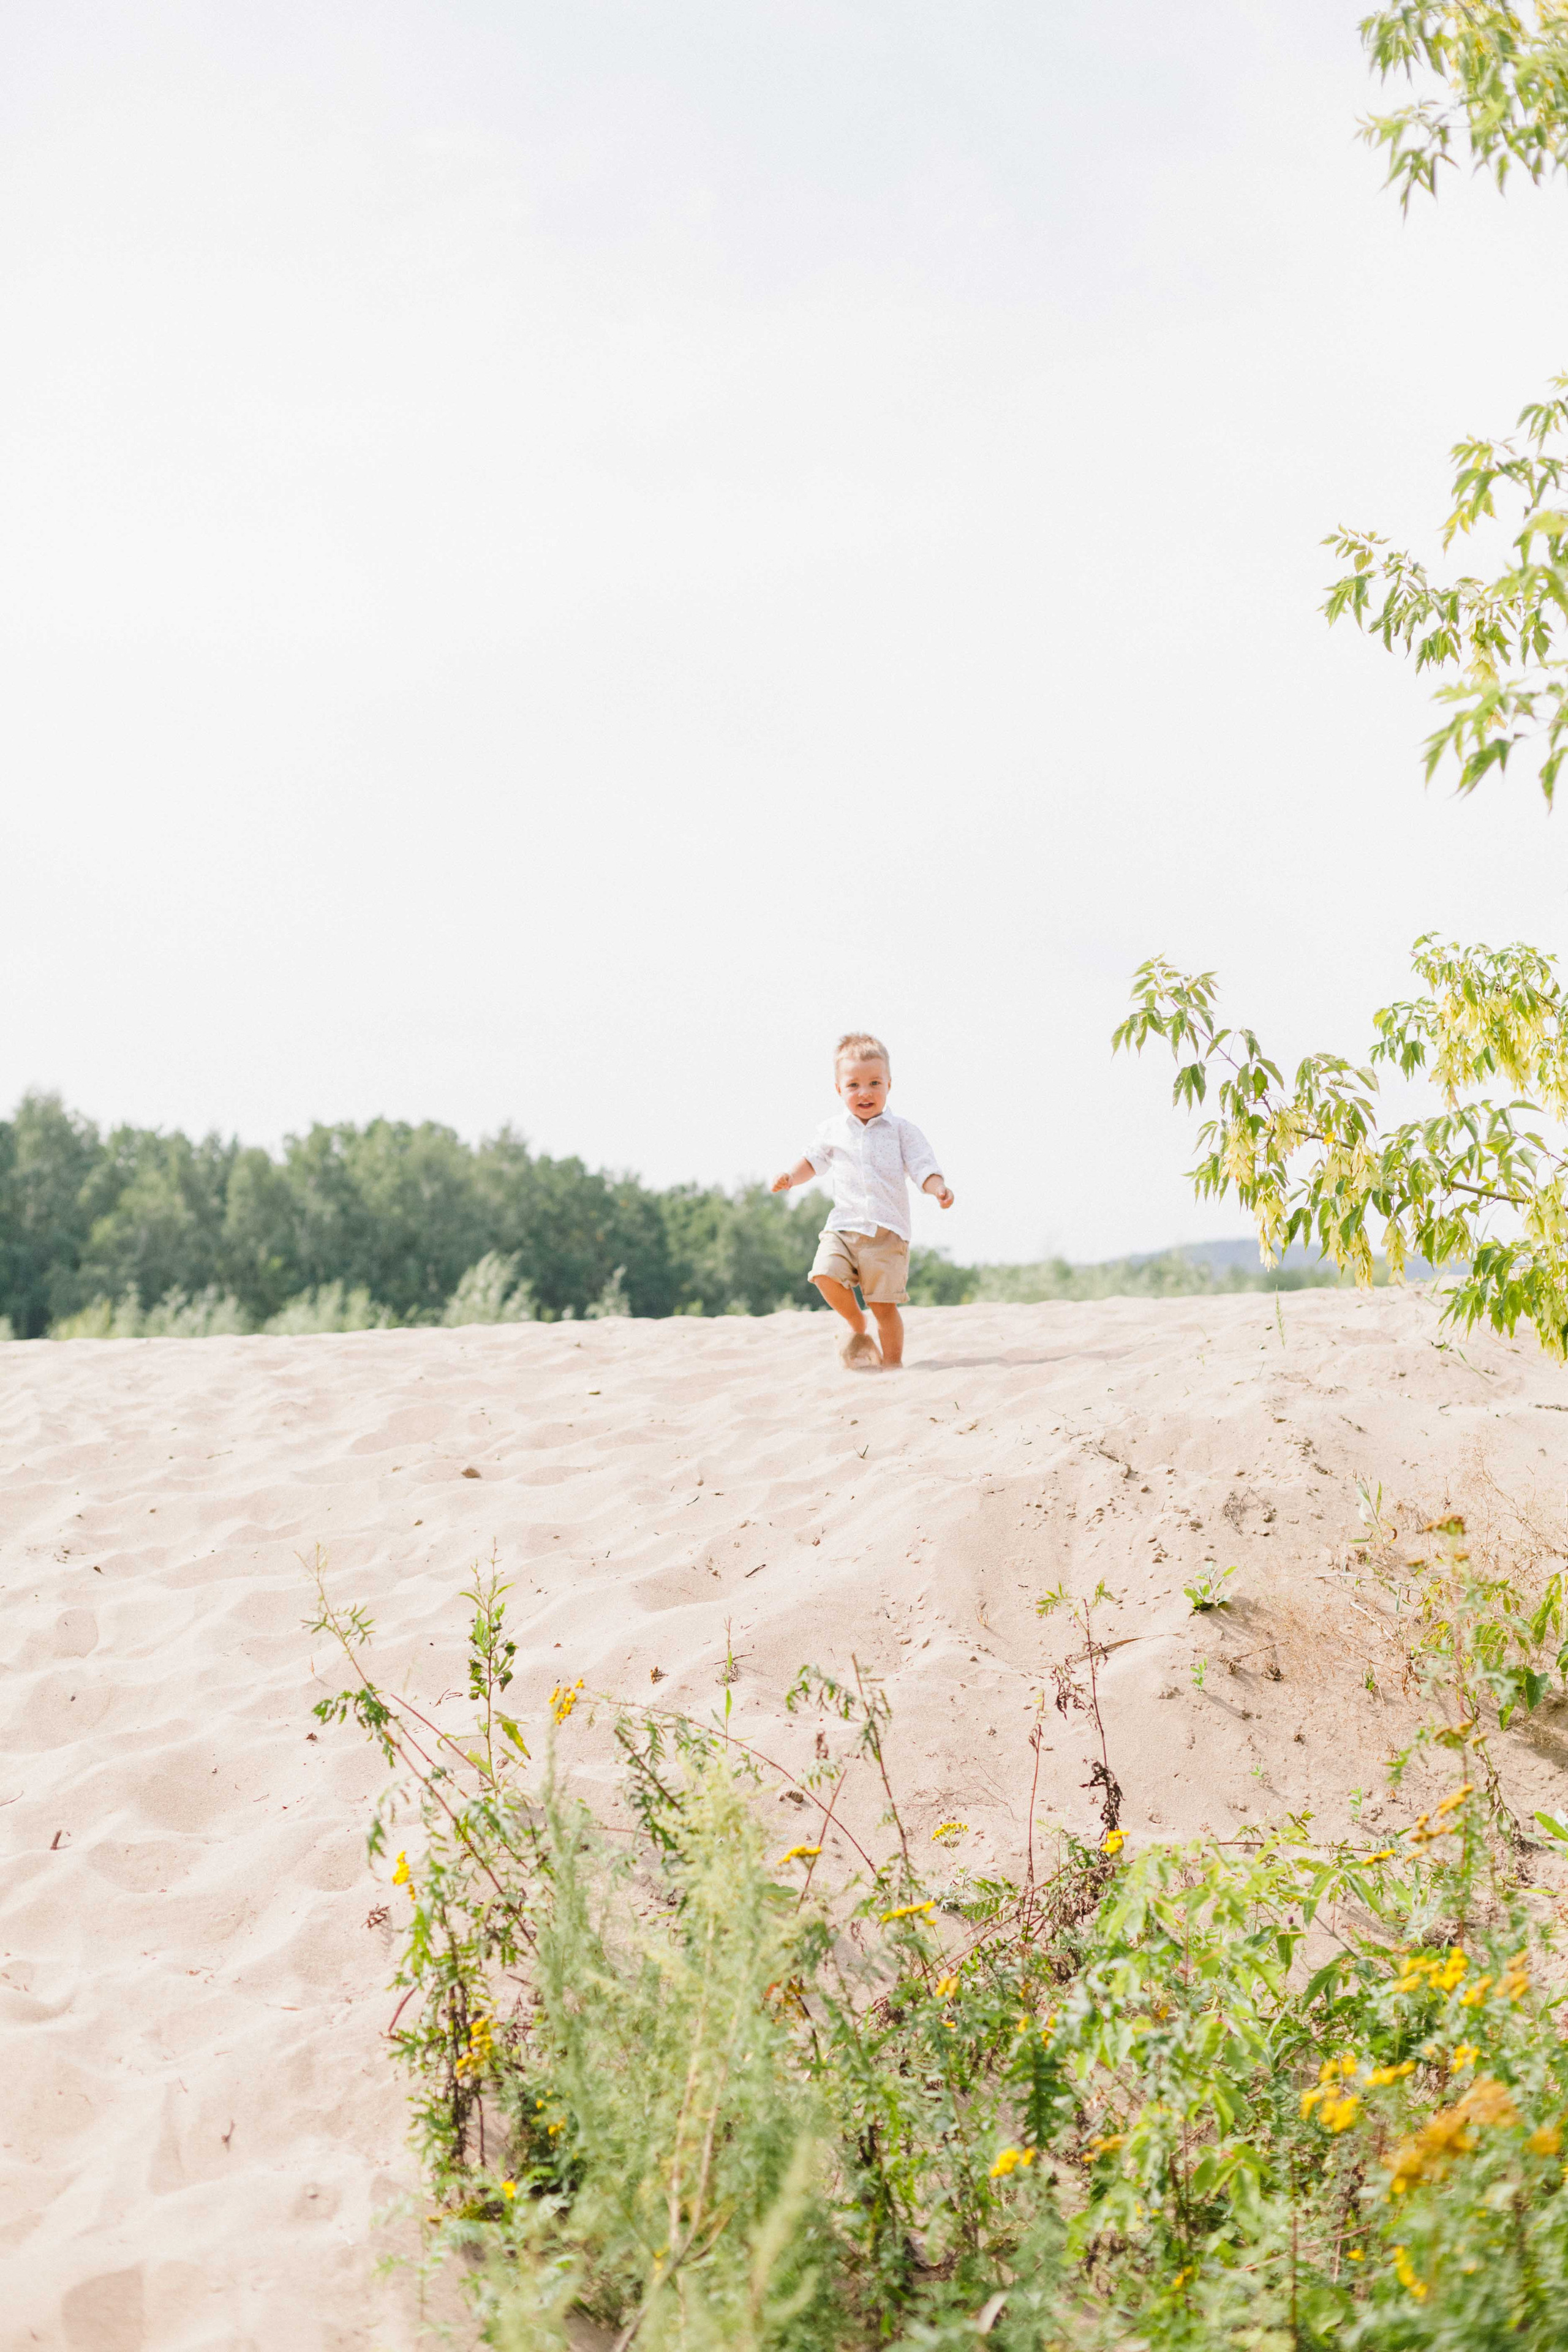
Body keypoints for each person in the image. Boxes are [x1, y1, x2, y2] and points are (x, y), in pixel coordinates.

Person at [772, 1031, 953, 1370]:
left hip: (887, 1233)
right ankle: (856, 1323)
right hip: (844, 1226)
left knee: (884, 1307)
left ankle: (893, 1365)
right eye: (854, 1085)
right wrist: (791, 1177)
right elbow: (813, 1160)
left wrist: (938, 1188)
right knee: (823, 1274)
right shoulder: (832, 1130)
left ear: (888, 1085)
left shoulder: (902, 1131)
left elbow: (922, 1166)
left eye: (874, 1083)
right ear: (839, 1089)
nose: (865, 1092)